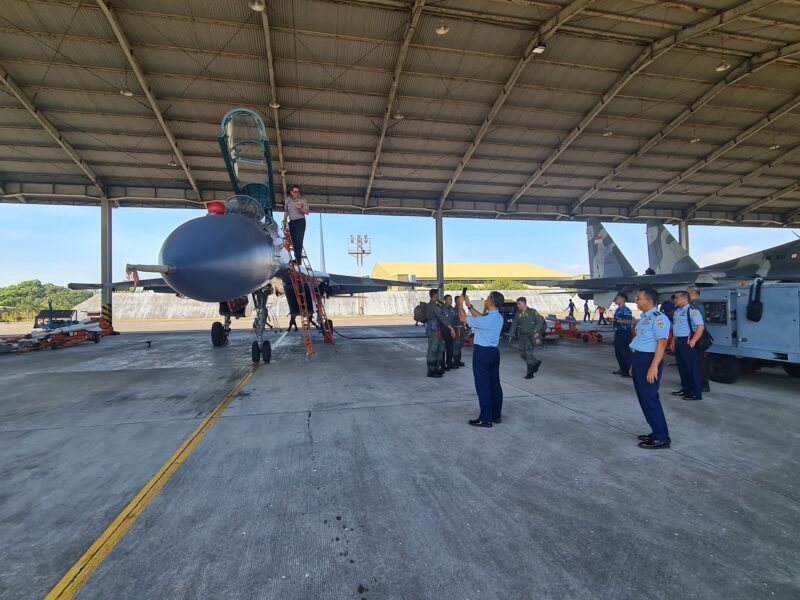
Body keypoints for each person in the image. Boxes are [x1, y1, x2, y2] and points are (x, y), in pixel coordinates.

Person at [630, 288, 672, 449]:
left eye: (638, 298)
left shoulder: (659, 318)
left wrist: (653, 366)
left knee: (650, 398)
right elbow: (641, 341)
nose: (636, 301)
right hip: (639, 359)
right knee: (644, 398)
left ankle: (662, 437)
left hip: (649, 360)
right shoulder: (645, 318)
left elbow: (662, 343)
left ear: (648, 300)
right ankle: (656, 432)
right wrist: (634, 364)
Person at [460, 291, 505, 427]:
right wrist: (469, 305)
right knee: (495, 385)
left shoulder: (486, 320)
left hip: (482, 354)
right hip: (494, 353)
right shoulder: (498, 317)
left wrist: (459, 304)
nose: (486, 300)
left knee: (483, 386)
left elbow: (463, 318)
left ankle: (485, 419)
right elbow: (480, 317)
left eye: (488, 298)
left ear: (491, 301)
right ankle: (496, 416)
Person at [670, 291, 705, 400]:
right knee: (682, 367)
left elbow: (700, 327)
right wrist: (673, 341)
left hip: (688, 340)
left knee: (691, 367)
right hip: (678, 340)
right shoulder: (677, 311)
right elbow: (676, 327)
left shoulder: (693, 311)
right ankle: (686, 389)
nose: (675, 300)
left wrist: (693, 341)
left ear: (684, 298)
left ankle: (695, 393)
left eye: (677, 298)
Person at [510, 297, 545, 379]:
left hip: (531, 336)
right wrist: (511, 334)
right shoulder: (518, 313)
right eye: (517, 304)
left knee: (528, 353)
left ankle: (530, 373)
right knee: (522, 353)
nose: (518, 305)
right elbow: (514, 324)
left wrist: (534, 331)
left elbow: (540, 322)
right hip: (522, 336)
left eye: (519, 304)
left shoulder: (532, 312)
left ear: (524, 303)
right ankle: (536, 362)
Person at [425, 289, 454, 378]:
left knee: (440, 348)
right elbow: (441, 317)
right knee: (433, 349)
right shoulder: (432, 306)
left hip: (437, 329)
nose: (438, 296)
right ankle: (431, 371)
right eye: (437, 295)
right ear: (435, 295)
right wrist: (450, 327)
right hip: (433, 330)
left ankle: (436, 368)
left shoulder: (435, 305)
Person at [687, 286, 710, 394]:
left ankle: (702, 384)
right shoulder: (699, 304)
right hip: (698, 335)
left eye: (687, 293)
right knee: (698, 360)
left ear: (692, 293)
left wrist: (693, 340)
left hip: (696, 336)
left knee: (698, 361)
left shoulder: (694, 305)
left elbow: (698, 325)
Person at [283, 185, 309, 263]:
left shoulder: (303, 200)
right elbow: (286, 211)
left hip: (300, 222)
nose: (296, 193)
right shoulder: (287, 200)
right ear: (291, 192)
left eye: (298, 191)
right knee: (291, 241)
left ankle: (298, 260)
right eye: (295, 192)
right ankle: (290, 258)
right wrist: (284, 220)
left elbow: (307, 212)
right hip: (291, 222)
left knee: (298, 241)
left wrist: (300, 208)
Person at [610, 293, 633, 377]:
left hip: (624, 333)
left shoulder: (626, 310)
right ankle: (622, 369)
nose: (615, 299)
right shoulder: (618, 309)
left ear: (623, 299)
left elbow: (629, 321)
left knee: (625, 352)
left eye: (617, 298)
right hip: (618, 332)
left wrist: (615, 320)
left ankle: (628, 371)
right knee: (618, 352)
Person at [440, 295, 457, 371]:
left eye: (451, 299)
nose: (451, 301)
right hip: (444, 330)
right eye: (449, 299)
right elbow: (443, 320)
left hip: (451, 330)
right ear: (445, 300)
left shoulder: (452, 308)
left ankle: (449, 363)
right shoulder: (442, 309)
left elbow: (454, 319)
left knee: (450, 348)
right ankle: (443, 365)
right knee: (443, 348)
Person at [452, 296, 466, 367]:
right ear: (456, 301)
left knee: (460, 346)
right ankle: (455, 362)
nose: (460, 302)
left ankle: (458, 360)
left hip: (462, 329)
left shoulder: (462, 309)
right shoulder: (453, 310)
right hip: (456, 329)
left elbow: (465, 319)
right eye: (459, 300)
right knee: (456, 346)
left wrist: (467, 328)